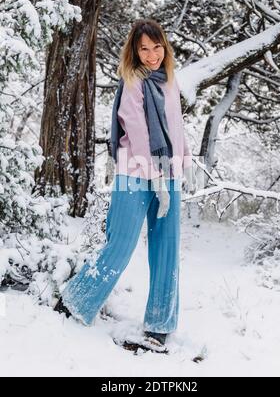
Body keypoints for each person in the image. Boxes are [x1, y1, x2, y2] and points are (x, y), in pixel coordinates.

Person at [54, 18, 197, 350]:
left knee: (167, 250)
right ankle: (76, 301)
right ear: (135, 51)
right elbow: (138, 134)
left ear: (165, 46)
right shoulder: (132, 82)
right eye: (144, 49)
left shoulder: (171, 82)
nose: (151, 55)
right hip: (134, 173)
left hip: (169, 174)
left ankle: (160, 324)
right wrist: (157, 176)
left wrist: (184, 166)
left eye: (156, 47)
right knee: (119, 244)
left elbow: (176, 129)